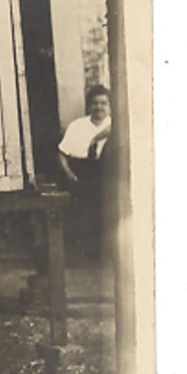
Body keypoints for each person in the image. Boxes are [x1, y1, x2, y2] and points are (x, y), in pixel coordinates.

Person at [57, 86, 111, 260]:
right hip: (80, 173)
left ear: (109, 106)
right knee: (80, 216)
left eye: (103, 103)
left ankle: (99, 257)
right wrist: (68, 174)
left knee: (103, 215)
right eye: (95, 103)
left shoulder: (115, 125)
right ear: (88, 106)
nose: (99, 107)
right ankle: (80, 256)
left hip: (104, 174)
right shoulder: (77, 126)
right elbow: (61, 153)